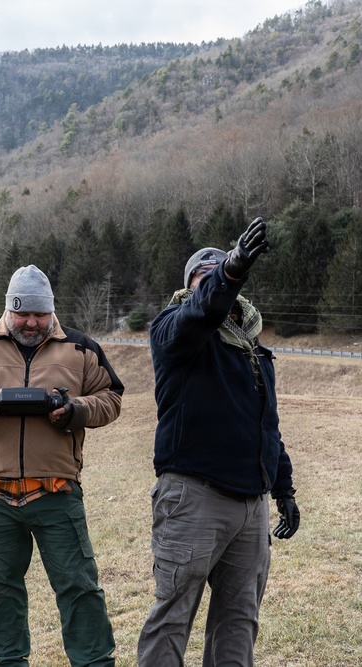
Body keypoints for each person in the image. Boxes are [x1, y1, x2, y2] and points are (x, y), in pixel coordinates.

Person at [0, 264, 124, 667]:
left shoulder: (81, 347)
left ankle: (95, 662)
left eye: (39, 314)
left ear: (52, 311)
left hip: (57, 493)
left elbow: (111, 398)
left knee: (79, 587)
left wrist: (74, 410)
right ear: (8, 309)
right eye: (22, 313)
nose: (31, 322)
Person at [137, 217, 300, 666]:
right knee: (172, 616)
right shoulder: (174, 330)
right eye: (203, 276)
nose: (214, 280)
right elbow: (199, 314)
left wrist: (283, 490)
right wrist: (230, 268)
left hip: (251, 505)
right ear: (191, 287)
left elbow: (267, 426)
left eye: (221, 273)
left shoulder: (253, 350)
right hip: (194, 496)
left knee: (239, 618)